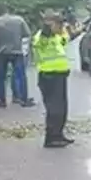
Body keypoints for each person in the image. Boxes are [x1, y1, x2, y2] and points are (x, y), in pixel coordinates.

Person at [31, 13, 73, 148]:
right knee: (54, 108)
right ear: (50, 25)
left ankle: (58, 134)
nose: (61, 27)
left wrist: (74, 28)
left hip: (59, 76)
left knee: (62, 108)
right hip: (49, 77)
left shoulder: (57, 37)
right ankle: (51, 138)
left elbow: (66, 38)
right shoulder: (42, 37)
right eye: (58, 25)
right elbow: (43, 37)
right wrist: (48, 26)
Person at [0, 6, 35, 108]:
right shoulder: (19, 20)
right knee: (20, 75)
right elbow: (27, 34)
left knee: (1, 77)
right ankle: (24, 99)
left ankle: (2, 101)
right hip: (17, 51)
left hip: (1, 52)